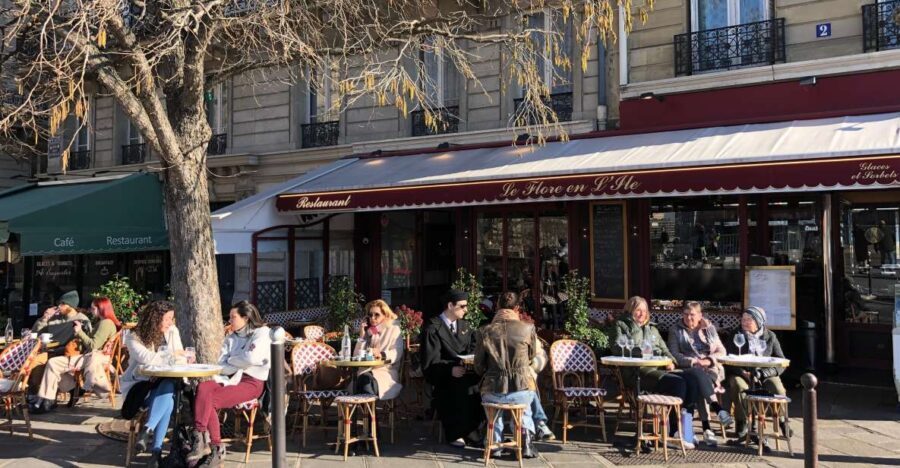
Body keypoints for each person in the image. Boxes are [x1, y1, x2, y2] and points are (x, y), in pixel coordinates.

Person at [186, 301, 271, 466]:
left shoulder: (262, 333)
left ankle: (211, 444)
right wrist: (240, 360)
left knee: (209, 400)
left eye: (233, 317)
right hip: (227, 379)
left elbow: (251, 358)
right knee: (203, 388)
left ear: (246, 318)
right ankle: (205, 440)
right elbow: (221, 366)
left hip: (251, 382)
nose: (229, 321)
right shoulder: (230, 338)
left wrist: (233, 359)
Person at [612, 296, 695, 449]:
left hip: (655, 370)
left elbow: (665, 349)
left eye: (644, 311)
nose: (642, 314)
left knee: (691, 380)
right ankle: (670, 432)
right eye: (638, 310)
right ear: (630, 311)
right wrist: (637, 327)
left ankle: (684, 431)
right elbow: (618, 347)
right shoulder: (621, 325)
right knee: (678, 383)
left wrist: (671, 361)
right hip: (635, 372)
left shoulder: (653, 328)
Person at [475, 291, 541, 458]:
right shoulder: (528, 328)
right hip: (521, 389)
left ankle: (495, 445)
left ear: (497, 306)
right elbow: (531, 356)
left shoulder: (485, 331)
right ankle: (525, 442)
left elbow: (478, 366)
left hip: (493, 389)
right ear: (517, 308)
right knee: (524, 407)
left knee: (494, 414)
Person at [120, 300, 184, 468]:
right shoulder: (134, 336)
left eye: (172, 318)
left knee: (168, 386)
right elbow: (148, 359)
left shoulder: (172, 331)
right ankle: (155, 450)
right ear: (155, 318)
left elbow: (182, 357)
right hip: (140, 386)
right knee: (169, 398)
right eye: (167, 318)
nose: (170, 323)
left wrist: (175, 357)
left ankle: (148, 431)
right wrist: (173, 355)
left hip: (164, 381)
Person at [30, 297, 121, 413]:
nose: (91, 310)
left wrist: (79, 331)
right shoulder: (104, 322)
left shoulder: (105, 323)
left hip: (93, 358)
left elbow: (93, 345)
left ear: (101, 308)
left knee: (53, 362)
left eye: (93, 308)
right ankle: (50, 400)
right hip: (88, 357)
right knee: (53, 363)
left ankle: (48, 400)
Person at [421, 289, 484, 448]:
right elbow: (430, 362)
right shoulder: (432, 328)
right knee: (459, 389)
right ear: (450, 305)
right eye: (462, 306)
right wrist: (450, 370)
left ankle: (472, 430)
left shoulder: (466, 326)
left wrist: (471, 362)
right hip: (444, 378)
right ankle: (456, 432)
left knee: (478, 387)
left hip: (467, 374)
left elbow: (473, 349)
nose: (466, 310)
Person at [667, 301, 734, 447]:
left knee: (697, 382)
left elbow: (722, 351)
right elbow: (674, 354)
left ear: (700, 315)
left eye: (692, 315)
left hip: (711, 369)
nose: (688, 318)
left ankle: (690, 431)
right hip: (688, 368)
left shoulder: (709, 329)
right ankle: (712, 419)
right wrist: (693, 361)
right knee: (697, 378)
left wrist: (709, 360)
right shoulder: (675, 330)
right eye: (685, 314)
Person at [723, 306, 788, 446]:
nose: (744, 322)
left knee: (777, 387)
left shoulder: (770, 336)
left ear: (759, 321)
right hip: (741, 372)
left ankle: (782, 420)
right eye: (743, 319)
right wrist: (742, 372)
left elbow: (781, 362)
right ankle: (743, 423)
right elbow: (727, 360)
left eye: (749, 319)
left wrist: (764, 373)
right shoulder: (736, 334)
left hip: (763, 373)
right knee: (738, 384)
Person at [492, 297, 555, 441]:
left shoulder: (487, 329)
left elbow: (538, 354)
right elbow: (535, 353)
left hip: (497, 382)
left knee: (526, 380)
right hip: (515, 380)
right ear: (516, 309)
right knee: (527, 384)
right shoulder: (524, 329)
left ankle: (496, 438)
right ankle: (536, 426)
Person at [27, 291, 93, 395]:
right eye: (59, 303)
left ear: (71, 306)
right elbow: (35, 332)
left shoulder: (81, 320)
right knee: (29, 359)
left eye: (63, 304)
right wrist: (44, 318)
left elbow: (85, 343)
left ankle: (36, 395)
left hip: (66, 353)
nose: (59, 306)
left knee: (35, 361)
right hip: (48, 350)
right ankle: (34, 392)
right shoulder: (54, 318)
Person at [352, 299, 403, 398]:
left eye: (377, 315)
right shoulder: (369, 332)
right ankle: (369, 412)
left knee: (365, 382)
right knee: (362, 381)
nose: (373, 318)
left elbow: (397, 352)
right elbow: (356, 356)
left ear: (385, 315)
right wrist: (362, 336)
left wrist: (382, 354)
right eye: (370, 315)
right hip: (365, 371)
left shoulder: (393, 329)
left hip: (386, 372)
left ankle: (367, 412)